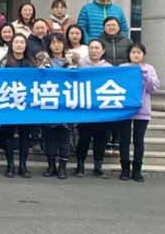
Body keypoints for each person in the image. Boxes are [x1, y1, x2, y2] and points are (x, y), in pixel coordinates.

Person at [119, 43, 159, 182]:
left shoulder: (149, 68)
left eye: (139, 52)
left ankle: (137, 170)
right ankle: (125, 169)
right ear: (129, 54)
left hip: (142, 109)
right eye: (133, 52)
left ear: (143, 54)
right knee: (124, 140)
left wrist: (145, 75)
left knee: (138, 141)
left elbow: (152, 88)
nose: (136, 55)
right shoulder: (123, 68)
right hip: (125, 109)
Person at [0, 34, 36, 178]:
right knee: (8, 136)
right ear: (11, 45)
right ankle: (10, 165)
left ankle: (23, 165)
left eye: (22, 42)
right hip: (9, 103)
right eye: (16, 42)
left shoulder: (31, 63)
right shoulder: (4, 62)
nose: (19, 45)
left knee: (25, 136)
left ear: (25, 45)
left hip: (26, 104)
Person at [74, 39, 113, 177]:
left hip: (102, 110)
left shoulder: (109, 67)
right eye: (91, 48)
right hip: (85, 109)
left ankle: (98, 166)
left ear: (103, 51)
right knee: (83, 138)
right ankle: (80, 166)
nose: (94, 51)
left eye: (97, 48)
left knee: (100, 139)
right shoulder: (80, 64)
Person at [100, 16, 133, 153]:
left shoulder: (127, 41)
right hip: (104, 81)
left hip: (122, 81)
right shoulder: (99, 41)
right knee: (106, 111)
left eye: (114, 25)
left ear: (119, 27)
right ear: (104, 27)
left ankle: (117, 139)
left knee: (120, 111)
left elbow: (132, 58)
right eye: (108, 25)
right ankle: (107, 140)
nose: (111, 27)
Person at [41, 33, 71, 180]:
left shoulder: (72, 62)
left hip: (67, 105)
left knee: (64, 138)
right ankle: (51, 165)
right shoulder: (44, 62)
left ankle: (62, 167)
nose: (56, 45)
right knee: (50, 138)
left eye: (59, 42)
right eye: (53, 43)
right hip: (49, 103)